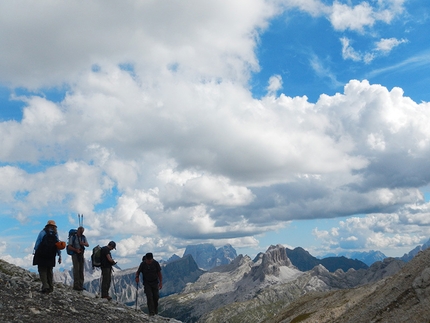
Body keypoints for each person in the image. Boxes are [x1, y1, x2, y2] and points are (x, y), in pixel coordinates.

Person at [32, 220, 62, 293]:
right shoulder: (55, 234)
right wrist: (59, 255)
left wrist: (35, 251)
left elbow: (38, 242)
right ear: (54, 227)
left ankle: (45, 286)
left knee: (42, 270)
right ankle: (51, 287)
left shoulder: (43, 232)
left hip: (42, 254)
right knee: (49, 271)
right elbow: (58, 245)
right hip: (51, 255)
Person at [68, 226, 89, 291]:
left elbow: (87, 245)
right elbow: (69, 247)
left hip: (81, 254)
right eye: (81, 231)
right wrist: (76, 250)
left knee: (81, 269)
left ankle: (81, 285)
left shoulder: (83, 237)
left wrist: (83, 243)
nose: (82, 232)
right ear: (78, 230)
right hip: (75, 254)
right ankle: (76, 285)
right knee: (76, 269)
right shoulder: (73, 237)